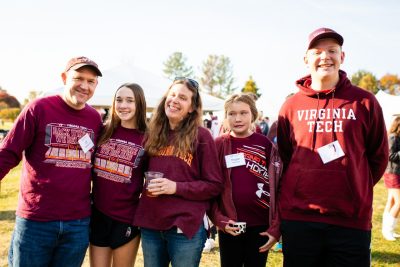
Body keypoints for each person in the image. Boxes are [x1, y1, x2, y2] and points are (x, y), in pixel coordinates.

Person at [277, 28, 388, 267]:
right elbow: (287, 156)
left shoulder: (365, 101)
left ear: (342, 57)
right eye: (317, 51)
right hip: (299, 217)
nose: (325, 56)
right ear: (306, 59)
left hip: (350, 220)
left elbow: (379, 156)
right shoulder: (290, 106)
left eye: (332, 51)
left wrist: (355, 185)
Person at [0, 56, 103, 267]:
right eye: (79, 78)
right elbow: (8, 152)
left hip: (78, 222)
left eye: (91, 81)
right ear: (64, 78)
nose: (84, 86)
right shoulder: (38, 108)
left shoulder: (94, 118)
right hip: (36, 221)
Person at [133, 77, 223, 267]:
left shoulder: (202, 136)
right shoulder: (152, 133)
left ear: (191, 107)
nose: (174, 100)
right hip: (151, 224)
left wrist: (175, 187)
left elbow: (214, 185)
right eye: (172, 95)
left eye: (182, 97)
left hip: (184, 226)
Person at [209, 93, 282, 267]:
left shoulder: (265, 144)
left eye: (243, 113)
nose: (238, 118)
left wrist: (275, 229)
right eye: (232, 114)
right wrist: (220, 220)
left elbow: (279, 188)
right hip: (230, 227)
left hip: (260, 225)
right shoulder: (218, 144)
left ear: (253, 114)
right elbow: (209, 189)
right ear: (225, 117)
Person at [89, 83, 147, 266]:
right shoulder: (103, 131)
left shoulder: (149, 137)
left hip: (126, 218)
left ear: (139, 104)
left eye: (130, 100)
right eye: (119, 100)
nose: (123, 105)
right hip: (98, 214)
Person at [381, 116, 400, 241]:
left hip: (396, 172)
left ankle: (386, 230)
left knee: (392, 201)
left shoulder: (397, 137)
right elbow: (389, 155)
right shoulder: (392, 137)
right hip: (392, 173)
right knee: (399, 202)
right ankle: (388, 231)